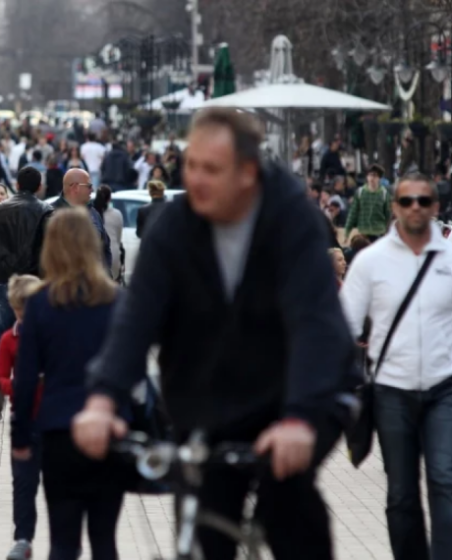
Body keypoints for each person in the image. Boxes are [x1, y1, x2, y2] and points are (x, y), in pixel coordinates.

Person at [72, 108, 358, 560]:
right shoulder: (175, 227)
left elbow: (314, 323)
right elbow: (136, 319)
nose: (197, 180)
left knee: (288, 499)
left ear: (248, 172)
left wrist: (301, 417)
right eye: (192, 166)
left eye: (212, 169)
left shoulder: (291, 220)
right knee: (207, 522)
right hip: (208, 400)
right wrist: (103, 399)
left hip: (296, 389)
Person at [340, 173, 452, 560]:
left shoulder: (450, 259)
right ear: (395, 208)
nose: (416, 207)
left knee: (445, 481)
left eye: (424, 200)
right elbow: (345, 326)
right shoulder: (371, 262)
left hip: (445, 389)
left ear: (436, 207)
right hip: (391, 390)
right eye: (407, 201)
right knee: (401, 493)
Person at [13, 208, 124, 560]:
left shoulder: (41, 305)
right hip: (110, 428)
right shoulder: (117, 301)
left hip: (59, 430)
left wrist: (20, 437)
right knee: (105, 539)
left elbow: (26, 377)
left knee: (63, 541)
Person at [0, 274, 44, 560]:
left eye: (29, 309)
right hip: (23, 420)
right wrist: (17, 387)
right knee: (23, 484)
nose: (23, 315)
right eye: (19, 309)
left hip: (52, 420)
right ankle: (22, 538)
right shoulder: (9, 339)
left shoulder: (52, 335)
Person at [0, 166, 50, 343]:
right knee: (34, 334)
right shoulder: (46, 210)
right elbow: (51, 248)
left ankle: (2, 370)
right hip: (35, 280)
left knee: (3, 337)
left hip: (4, 278)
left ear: (16, 185)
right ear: (39, 187)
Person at [34, 168, 112, 275]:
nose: (92, 190)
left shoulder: (94, 213)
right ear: (75, 187)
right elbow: (42, 256)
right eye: (89, 186)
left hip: (93, 287)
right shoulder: (50, 214)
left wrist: (106, 277)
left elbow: (105, 248)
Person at [345, 164, 391, 243]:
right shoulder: (360, 192)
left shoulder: (384, 193)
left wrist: (388, 232)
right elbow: (353, 213)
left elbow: (388, 215)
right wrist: (347, 231)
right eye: (370, 175)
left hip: (379, 232)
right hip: (363, 232)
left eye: (375, 175)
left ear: (379, 178)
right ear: (367, 177)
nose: (372, 178)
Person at [93, 185, 124, 282]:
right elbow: (118, 239)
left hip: (95, 259)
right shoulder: (117, 214)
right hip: (113, 257)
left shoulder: (90, 214)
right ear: (110, 198)